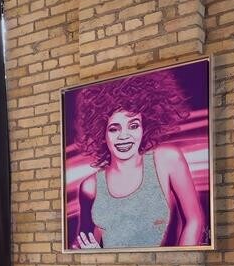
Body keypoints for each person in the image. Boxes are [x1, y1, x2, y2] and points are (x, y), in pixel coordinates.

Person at [72, 71, 206, 250]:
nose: (124, 136)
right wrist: (92, 254)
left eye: (133, 126)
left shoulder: (167, 160)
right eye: (114, 129)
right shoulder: (90, 187)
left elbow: (194, 220)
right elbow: (83, 243)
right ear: (101, 134)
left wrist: (181, 261)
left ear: (145, 127)